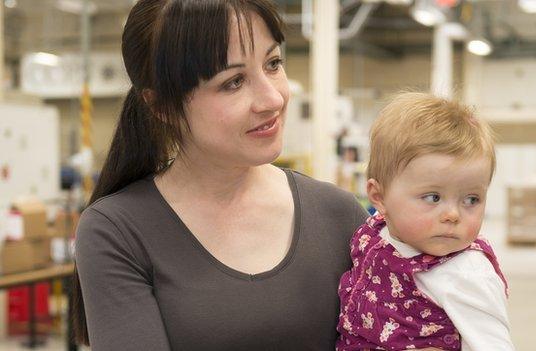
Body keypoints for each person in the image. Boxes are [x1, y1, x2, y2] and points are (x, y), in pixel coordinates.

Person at [72, 0, 368, 349]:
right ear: (162, 106)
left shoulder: (338, 215)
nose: (272, 99)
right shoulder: (118, 231)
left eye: (273, 63)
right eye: (233, 82)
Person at [336, 92, 515, 351]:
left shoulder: (466, 273)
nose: (453, 214)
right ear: (379, 197)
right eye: (433, 197)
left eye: (471, 199)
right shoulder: (374, 234)